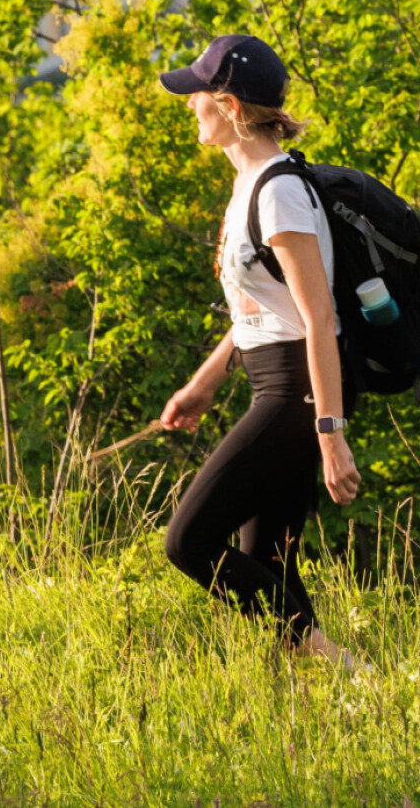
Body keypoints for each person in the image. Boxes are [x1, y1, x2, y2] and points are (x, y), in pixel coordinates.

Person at [154, 32, 365, 668]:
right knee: (266, 561)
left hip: (302, 389)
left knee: (189, 542)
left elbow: (318, 315)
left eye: (200, 96)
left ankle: (348, 669)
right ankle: (327, 706)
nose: (190, 106)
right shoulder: (248, 185)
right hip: (276, 378)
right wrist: (205, 382)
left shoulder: (278, 192)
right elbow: (260, 311)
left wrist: (329, 432)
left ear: (232, 107)